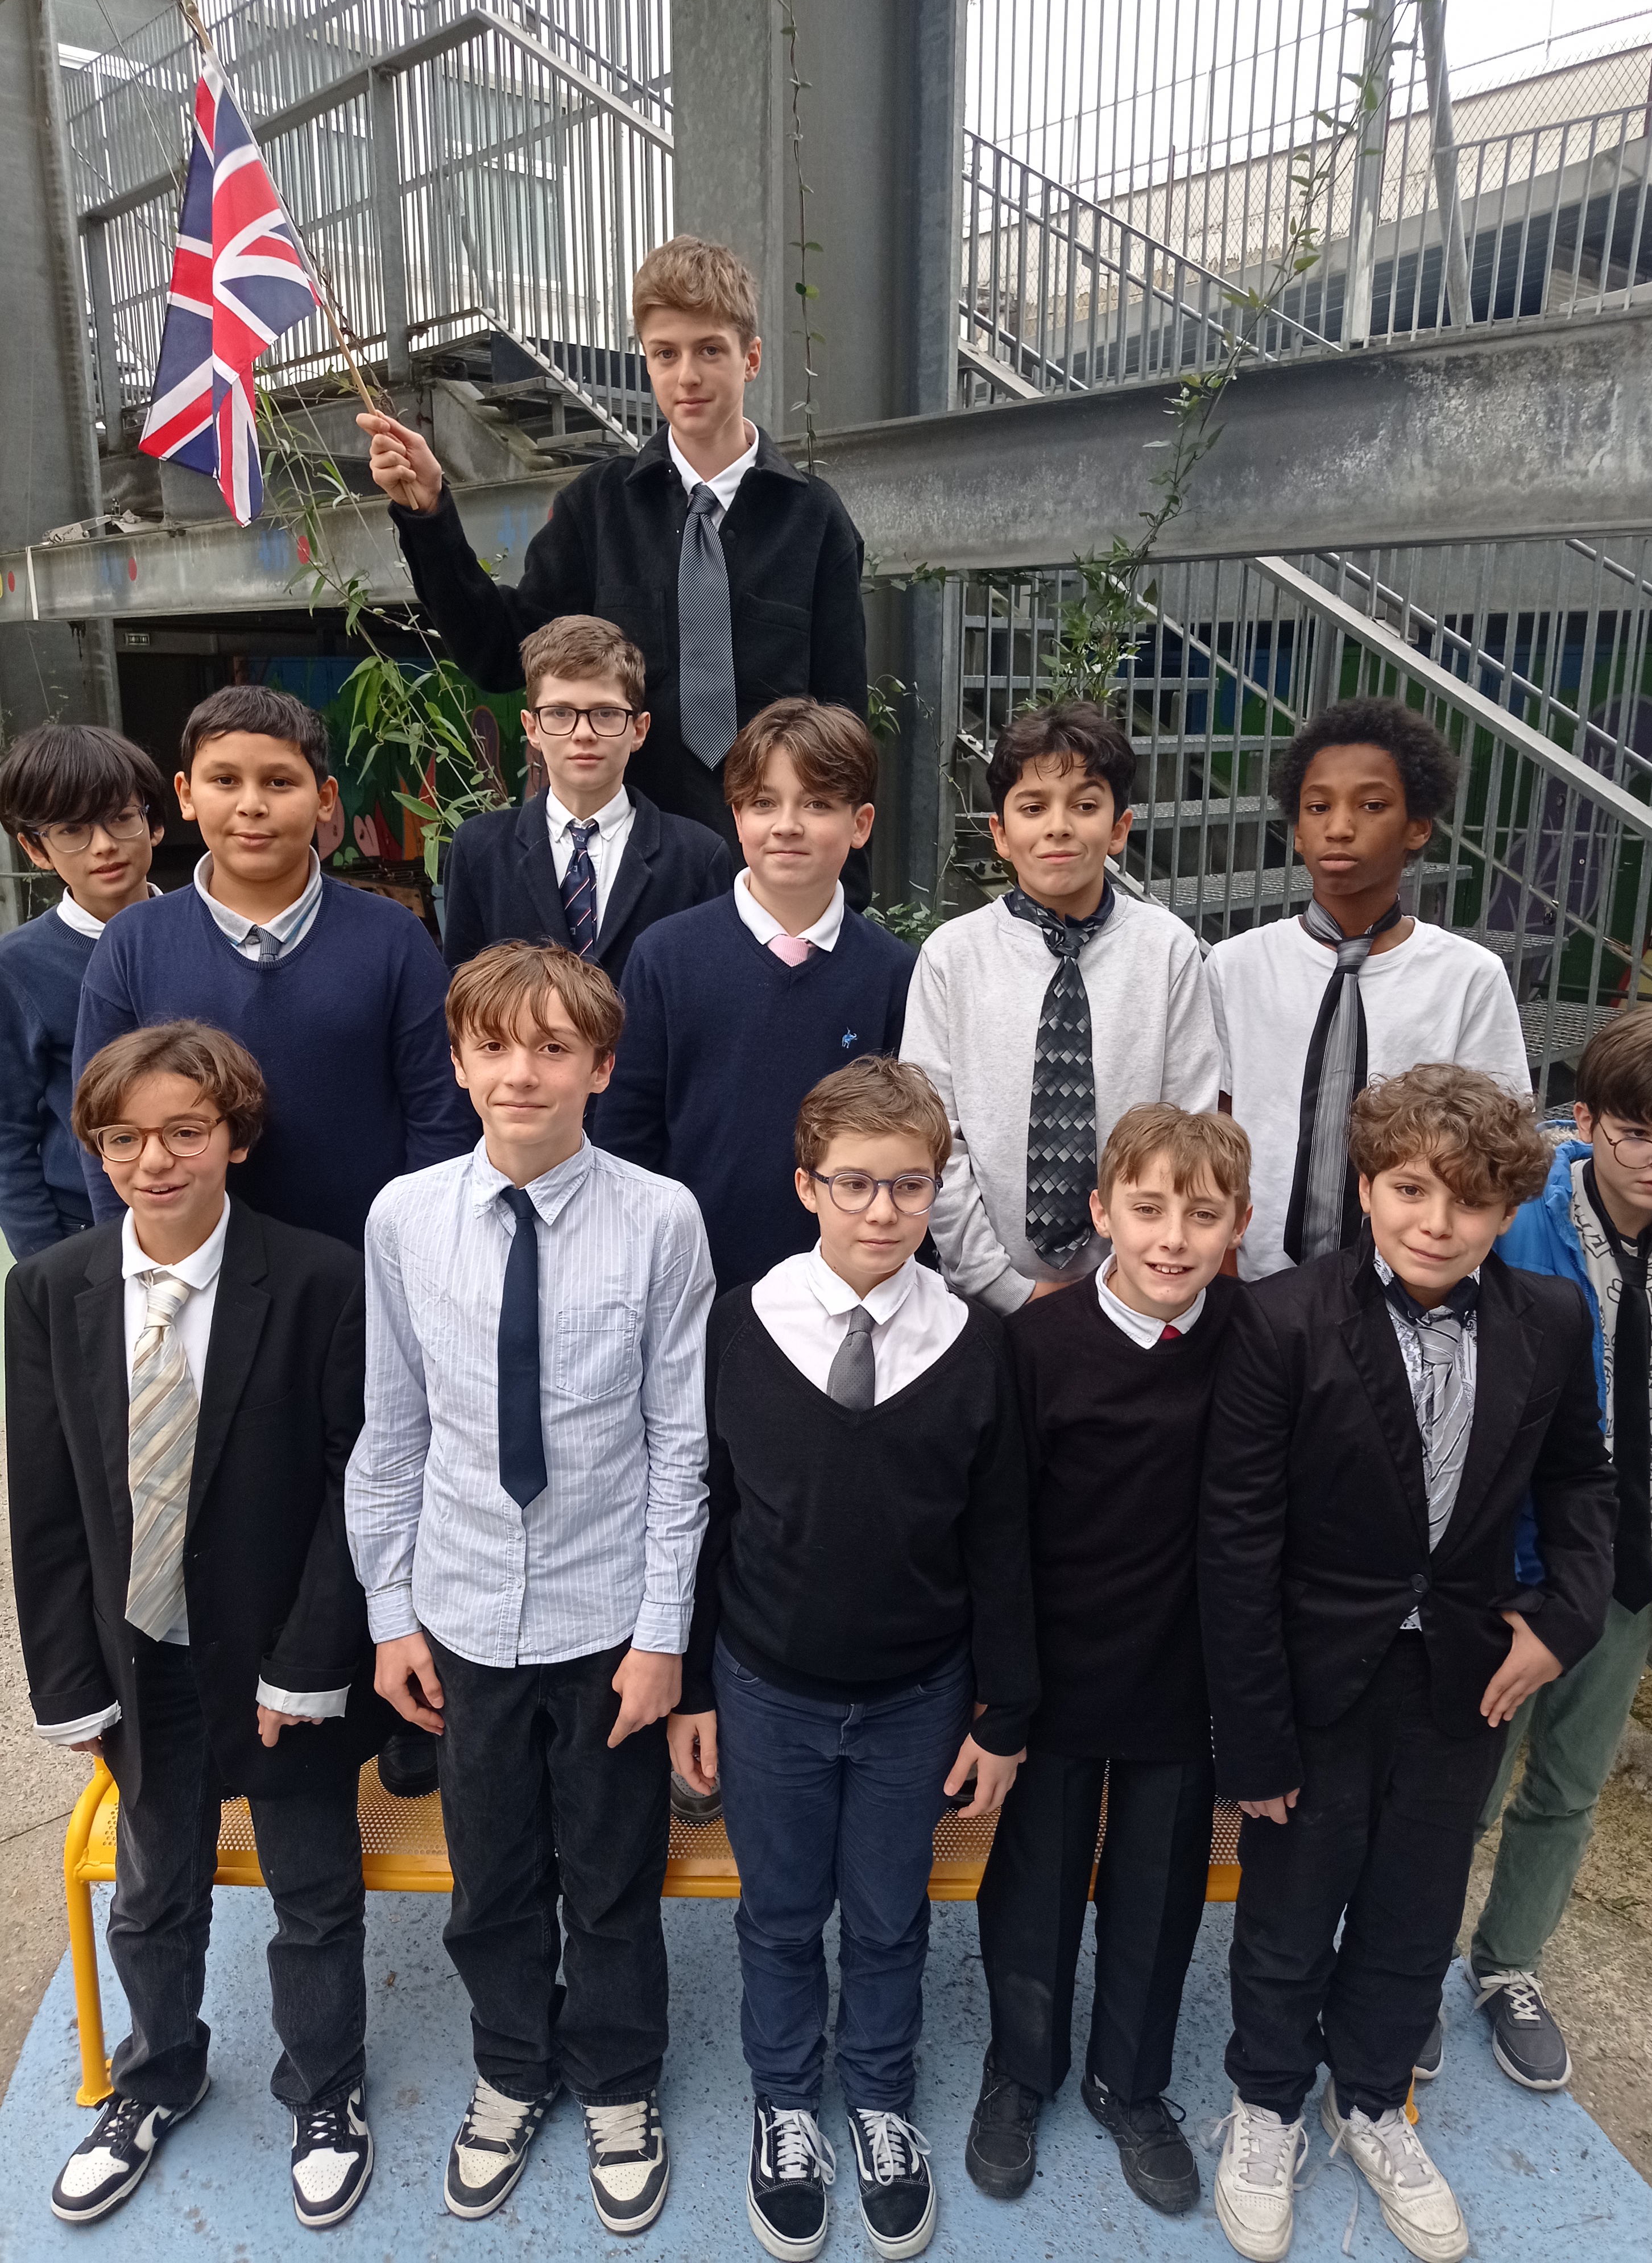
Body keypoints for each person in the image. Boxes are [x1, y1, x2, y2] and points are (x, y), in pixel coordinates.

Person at [1200, 1064, 1616, 2263]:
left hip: (1463, 1675)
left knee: (1414, 1905)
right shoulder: (1282, 1319)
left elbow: (1577, 1483)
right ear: (1366, 1184)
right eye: (1410, 1190)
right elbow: (1236, 1537)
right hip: (1314, 1676)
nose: (1437, 1222)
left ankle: (1373, 2100)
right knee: (1288, 1909)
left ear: (1508, 1208)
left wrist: (1561, 1621)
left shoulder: (1549, 1318)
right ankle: (1267, 2101)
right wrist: (1252, 1736)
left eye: (1471, 1201)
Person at [343, 940, 715, 2233]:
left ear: (600, 1068)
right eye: (494, 1046)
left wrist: (662, 1637)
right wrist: (389, 1612)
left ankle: (616, 2079)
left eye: (555, 1048)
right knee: (491, 1877)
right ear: (456, 1062)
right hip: (461, 1619)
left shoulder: (660, 1220)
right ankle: (510, 2066)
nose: (522, 1073)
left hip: (606, 1623)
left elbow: (680, 1444)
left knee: (611, 1878)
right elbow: (392, 1430)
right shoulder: (404, 1219)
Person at [7, 1022, 387, 2230]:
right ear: (94, 1148)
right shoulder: (51, 1289)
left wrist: (312, 1658)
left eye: (184, 1131)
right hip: (142, 1653)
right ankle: (155, 2074)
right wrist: (69, 1680)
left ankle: (324, 2087)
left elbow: (354, 1482)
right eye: (122, 1139)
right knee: (151, 1888)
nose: (154, 1161)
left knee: (312, 1888)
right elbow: (46, 1505)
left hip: (282, 1662)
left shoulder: (318, 1279)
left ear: (236, 1136)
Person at [668, 1056, 1038, 2262]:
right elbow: (706, 1511)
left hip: (915, 1698)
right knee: (779, 1915)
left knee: (886, 1916)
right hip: (767, 1688)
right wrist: (693, 1684)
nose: (882, 1210)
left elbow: (1001, 1539)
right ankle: (786, 2104)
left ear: (938, 1188)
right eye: (855, 1183)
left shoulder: (976, 1345)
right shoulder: (738, 1324)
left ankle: (878, 2096)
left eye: (909, 1185)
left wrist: (1003, 1711)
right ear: (805, 1185)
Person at [358, 235, 872, 905]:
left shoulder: (814, 521)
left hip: (768, 872)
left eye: (709, 350)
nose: (687, 375)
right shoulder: (597, 508)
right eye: (666, 353)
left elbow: (841, 721)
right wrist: (429, 517)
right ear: (646, 362)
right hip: (629, 877)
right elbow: (501, 653)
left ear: (750, 358)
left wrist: (846, 895)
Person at [966, 1102, 1252, 2223]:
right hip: (1055, 1672)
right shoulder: (1037, 1347)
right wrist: (1003, 1689)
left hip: (1182, 1679)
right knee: (1033, 1884)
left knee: (1158, 1889)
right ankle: (1019, 2068)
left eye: (1202, 1215)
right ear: (1100, 1213)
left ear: (1236, 1225)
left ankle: (1128, 2081)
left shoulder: (1255, 1338)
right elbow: (997, 1530)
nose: (1172, 1238)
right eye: (1146, 1209)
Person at [1454, 1007, 1652, 2095]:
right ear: (1588, 1120)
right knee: (1464, 1780)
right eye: (1639, 1134)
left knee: (1567, 1786)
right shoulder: (1519, 1227)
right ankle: (1403, 1958)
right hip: (1512, 1568)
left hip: (1633, 1567)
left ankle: (1507, 1963)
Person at [73, 684, 475, 1253]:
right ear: (185, 794)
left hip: (366, 1265)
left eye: (279, 782)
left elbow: (442, 1113)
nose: (251, 805)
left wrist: (419, 1253)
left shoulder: (392, 937)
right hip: (195, 1268)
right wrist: (136, 1259)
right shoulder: (132, 943)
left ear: (325, 798)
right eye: (225, 780)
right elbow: (102, 1122)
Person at [901, 701, 1220, 1312]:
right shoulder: (952, 957)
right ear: (1000, 834)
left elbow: (1188, 1128)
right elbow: (932, 1139)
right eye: (1032, 808)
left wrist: (1129, 1284)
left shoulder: (1167, 950)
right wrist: (1003, 1288)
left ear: (1119, 829)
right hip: (980, 1299)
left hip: (1133, 1292)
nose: (1058, 827)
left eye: (1084, 805)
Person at [1206, 697, 1530, 1283]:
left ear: (1418, 827)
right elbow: (1214, 1127)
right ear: (1297, 833)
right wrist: (1223, 1273)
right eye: (1318, 807)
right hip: (1257, 1281)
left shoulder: (1468, 978)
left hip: (1407, 1282)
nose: (1339, 827)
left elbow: (1494, 1144)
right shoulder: (1236, 966)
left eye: (1372, 805)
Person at [594, 698, 914, 1289]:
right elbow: (626, 1139)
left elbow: (910, 1148)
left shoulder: (894, 972)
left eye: (817, 804)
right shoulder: (666, 956)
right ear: (737, 816)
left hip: (845, 1287)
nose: (787, 824)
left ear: (861, 824)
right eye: (765, 803)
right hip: (691, 1283)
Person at [441, 614, 732, 981]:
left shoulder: (698, 856)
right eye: (560, 713)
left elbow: (708, 990)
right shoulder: (478, 850)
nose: (583, 733)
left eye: (606, 713)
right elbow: (463, 993)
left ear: (639, 729)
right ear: (532, 728)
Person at [0, 722, 164, 1256]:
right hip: (86, 1227)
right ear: (35, 848)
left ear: (154, 823)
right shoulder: (18, 964)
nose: (105, 846)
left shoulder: (204, 932)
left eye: (121, 818)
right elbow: (8, 1132)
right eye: (72, 829)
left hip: (218, 1212)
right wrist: (46, 1261)